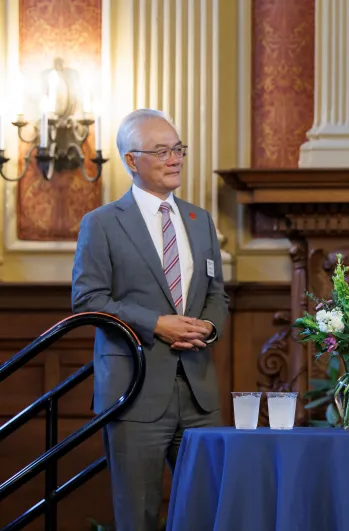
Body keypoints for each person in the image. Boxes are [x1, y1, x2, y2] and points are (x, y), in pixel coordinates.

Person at [72, 109, 229, 531]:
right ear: (130, 161)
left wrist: (209, 328)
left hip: (199, 395)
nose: (174, 158)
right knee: (137, 517)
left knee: (208, 512)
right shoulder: (101, 224)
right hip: (135, 393)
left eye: (178, 149)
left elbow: (217, 295)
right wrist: (156, 323)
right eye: (161, 151)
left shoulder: (200, 220)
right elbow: (87, 298)